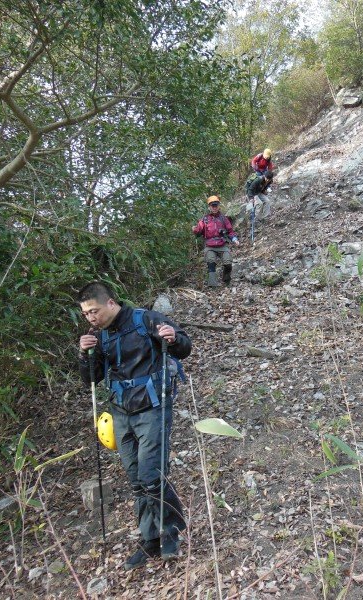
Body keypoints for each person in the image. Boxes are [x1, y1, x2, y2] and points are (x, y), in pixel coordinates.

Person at [77, 282, 192, 570]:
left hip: (153, 407)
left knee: (152, 475)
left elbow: (184, 347)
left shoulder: (146, 319)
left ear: (111, 303)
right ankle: (150, 539)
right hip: (121, 412)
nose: (91, 317)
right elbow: (91, 378)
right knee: (137, 480)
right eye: (86, 314)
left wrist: (172, 339)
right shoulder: (99, 336)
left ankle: (170, 533)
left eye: (94, 311)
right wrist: (84, 354)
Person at [192, 195, 239, 287]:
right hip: (209, 246)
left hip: (222, 245)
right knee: (211, 263)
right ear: (209, 207)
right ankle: (213, 285)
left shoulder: (223, 218)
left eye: (216, 205)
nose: (214, 207)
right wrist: (195, 229)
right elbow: (198, 230)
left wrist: (234, 239)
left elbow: (230, 231)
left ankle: (226, 280)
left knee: (228, 263)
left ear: (218, 206)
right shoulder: (205, 219)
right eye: (212, 206)